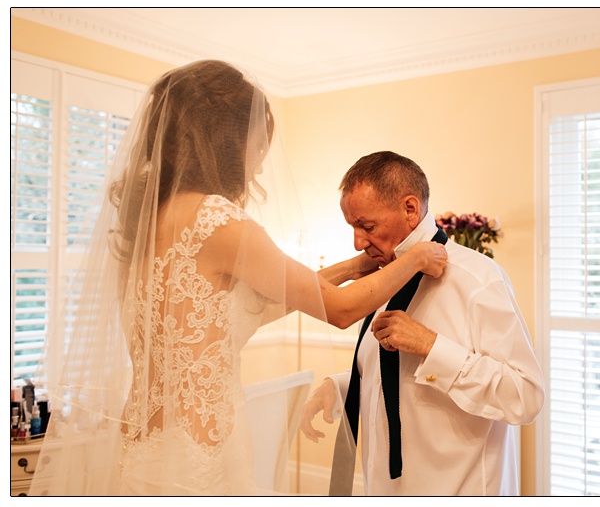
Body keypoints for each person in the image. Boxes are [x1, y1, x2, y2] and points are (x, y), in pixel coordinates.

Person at [27, 60, 449, 496]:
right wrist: (416, 256)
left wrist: (351, 268)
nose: (261, 164)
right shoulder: (217, 220)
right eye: (257, 143)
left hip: (145, 448)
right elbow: (340, 311)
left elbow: (240, 313)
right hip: (199, 457)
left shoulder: (146, 221)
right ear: (228, 140)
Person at [298, 151, 545, 496]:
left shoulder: (479, 279)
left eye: (367, 226)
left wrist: (431, 346)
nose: (357, 241)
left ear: (410, 209)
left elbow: (525, 396)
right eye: (352, 227)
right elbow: (397, 376)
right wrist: (341, 386)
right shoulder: (382, 277)